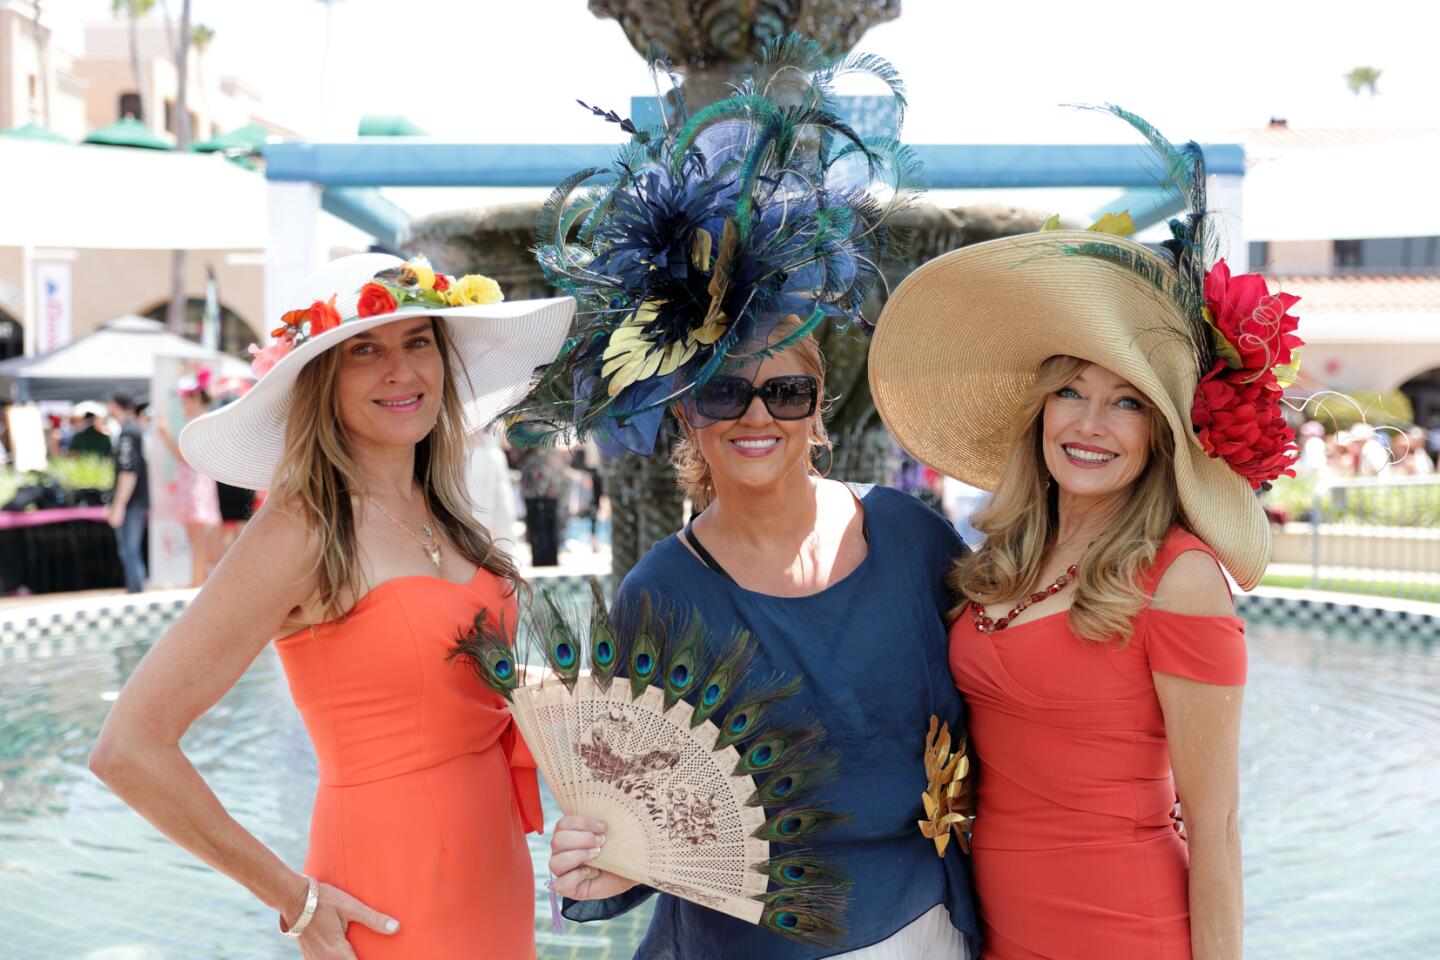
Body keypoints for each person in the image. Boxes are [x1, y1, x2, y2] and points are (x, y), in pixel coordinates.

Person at [524, 43, 978, 959]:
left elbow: (1012, 693)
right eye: (724, 393)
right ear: (686, 414)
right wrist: (601, 858)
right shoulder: (661, 592)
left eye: (787, 391)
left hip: (920, 925)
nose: (756, 415)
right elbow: (643, 811)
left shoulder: (913, 538)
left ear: (819, 410)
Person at [89, 253, 573, 958]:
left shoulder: (444, 511)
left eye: (418, 342)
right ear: (321, 380)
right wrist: (292, 897)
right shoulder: (302, 529)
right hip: (388, 894)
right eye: (364, 351)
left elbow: (444, 681)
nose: (401, 371)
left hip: (494, 871)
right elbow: (127, 749)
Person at [868, 190, 1303, 957]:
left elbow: (1216, 826)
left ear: (1161, 434)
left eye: (1125, 403)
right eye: (1070, 391)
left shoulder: (1180, 579)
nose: (1089, 424)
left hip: (1124, 931)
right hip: (995, 928)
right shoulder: (1001, 561)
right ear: (1040, 410)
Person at [155, 368, 223, 586]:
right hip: (194, 482)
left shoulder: (200, 422)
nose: (183, 407)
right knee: (196, 535)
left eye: (185, 401)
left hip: (196, 483)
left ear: (195, 398)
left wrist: (166, 437)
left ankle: (198, 581)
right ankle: (198, 579)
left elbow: (185, 457)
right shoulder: (202, 421)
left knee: (197, 535)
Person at [106, 392, 150, 593]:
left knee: (129, 550)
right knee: (131, 549)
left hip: (131, 500)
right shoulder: (134, 430)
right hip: (135, 499)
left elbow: (128, 470)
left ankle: (136, 591)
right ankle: (136, 589)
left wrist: (119, 505)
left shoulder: (128, 433)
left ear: (115, 405)